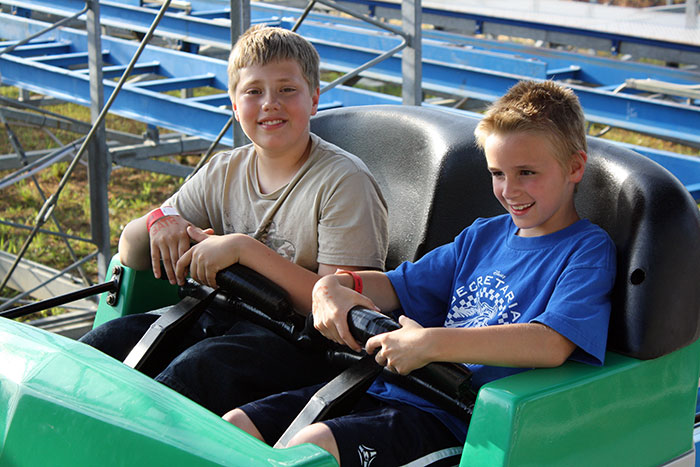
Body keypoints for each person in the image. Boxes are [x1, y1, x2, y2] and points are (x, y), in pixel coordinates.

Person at [223, 80, 617, 466]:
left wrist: (429, 344)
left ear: (574, 166)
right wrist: (338, 285)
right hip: (392, 387)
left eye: (527, 173)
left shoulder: (586, 249)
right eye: (498, 173)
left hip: (454, 420)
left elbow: (551, 344)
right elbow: (397, 285)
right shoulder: (482, 236)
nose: (510, 189)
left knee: (314, 448)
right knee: (238, 426)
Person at [80, 25, 389, 416]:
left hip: (300, 343)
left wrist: (243, 250)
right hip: (217, 315)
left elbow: (340, 309)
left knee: (190, 378)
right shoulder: (223, 171)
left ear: (314, 100)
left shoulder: (344, 182)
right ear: (233, 103)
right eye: (254, 91)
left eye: (287, 90)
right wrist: (160, 219)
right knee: (100, 348)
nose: (270, 103)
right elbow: (134, 253)